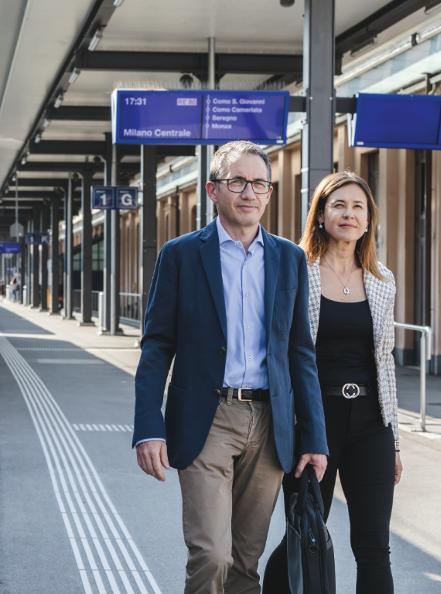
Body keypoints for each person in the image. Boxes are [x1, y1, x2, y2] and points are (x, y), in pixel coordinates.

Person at [133, 140, 328, 594]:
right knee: (211, 555)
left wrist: (314, 436)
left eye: (259, 183)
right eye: (237, 181)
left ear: (269, 192)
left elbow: (300, 351)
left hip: (269, 424)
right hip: (208, 418)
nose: (249, 192)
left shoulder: (289, 258)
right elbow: (157, 345)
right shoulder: (181, 255)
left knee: (245, 563)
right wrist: (148, 426)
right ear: (212, 190)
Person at [263, 171, 403, 594]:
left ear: (368, 220)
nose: (349, 214)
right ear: (321, 216)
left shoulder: (382, 280)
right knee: (303, 530)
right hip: (314, 422)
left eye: (358, 207)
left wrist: (394, 440)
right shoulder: (296, 270)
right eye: (339, 205)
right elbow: (284, 353)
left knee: (374, 543)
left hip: (370, 422)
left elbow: (385, 361)